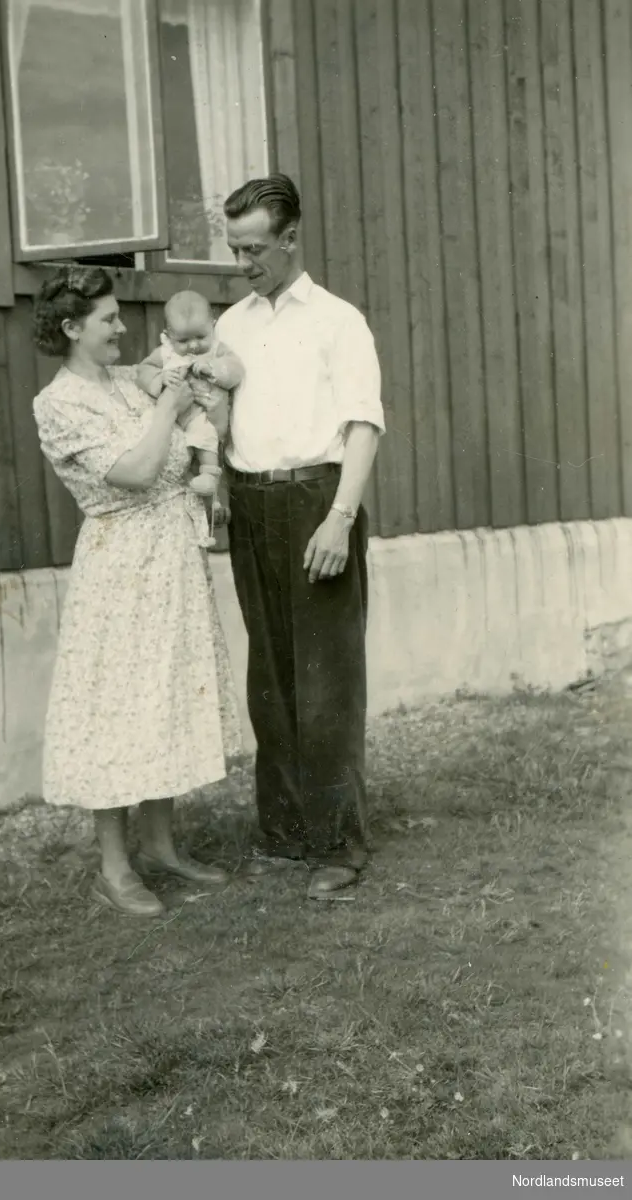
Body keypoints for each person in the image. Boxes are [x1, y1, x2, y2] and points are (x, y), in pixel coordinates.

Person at [32, 265, 242, 918]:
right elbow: (138, 470)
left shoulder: (131, 380)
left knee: (164, 697)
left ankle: (161, 846)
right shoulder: (58, 404)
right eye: (108, 320)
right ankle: (115, 867)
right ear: (70, 328)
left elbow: (192, 447)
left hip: (172, 555)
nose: (124, 328)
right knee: (117, 708)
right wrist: (169, 409)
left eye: (120, 316)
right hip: (119, 566)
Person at [214, 174, 385, 901]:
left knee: (326, 682)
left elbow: (363, 424)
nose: (243, 263)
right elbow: (220, 418)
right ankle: (283, 835)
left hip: (318, 500)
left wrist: (340, 517)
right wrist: (220, 493)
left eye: (254, 249)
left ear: (289, 238)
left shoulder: (338, 320)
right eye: (233, 250)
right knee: (271, 677)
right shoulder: (232, 325)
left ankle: (337, 844)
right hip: (251, 506)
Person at [137, 290, 244, 503]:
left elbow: (236, 369)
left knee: (205, 436)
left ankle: (210, 479)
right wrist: (161, 379)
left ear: (212, 325)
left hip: (201, 415)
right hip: (172, 419)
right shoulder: (165, 352)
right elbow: (144, 370)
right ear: (168, 335)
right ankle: (188, 486)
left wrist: (213, 369)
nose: (194, 345)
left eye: (200, 337)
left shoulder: (216, 350)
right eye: (184, 340)